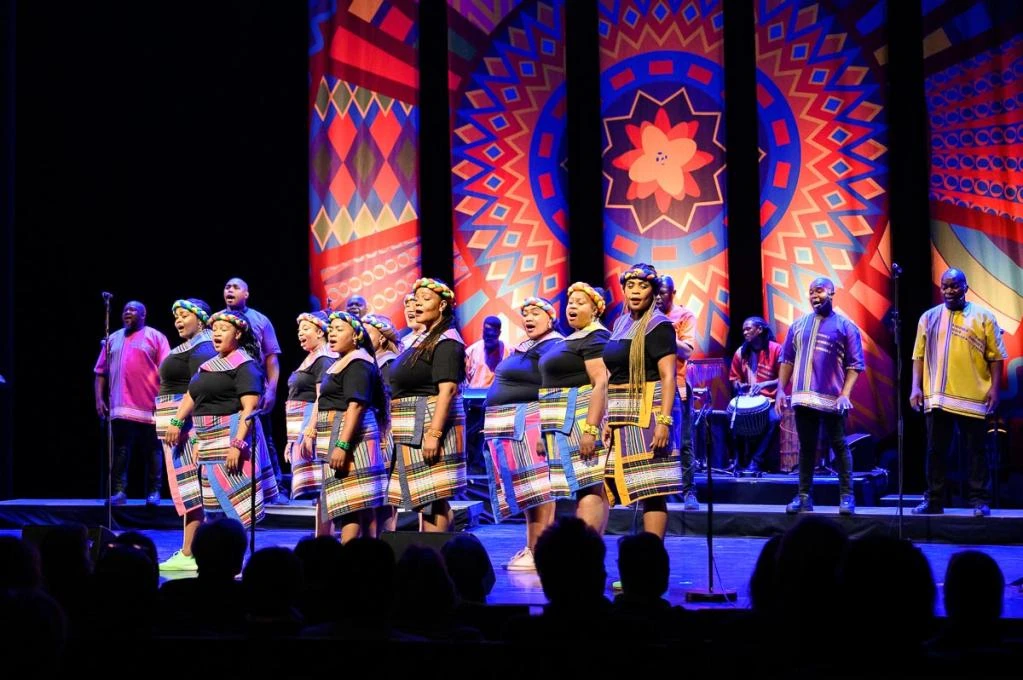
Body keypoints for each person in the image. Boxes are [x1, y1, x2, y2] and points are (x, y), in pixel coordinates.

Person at [165, 310, 278, 526]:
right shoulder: (207, 366)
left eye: (223, 329)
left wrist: (237, 445)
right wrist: (179, 423)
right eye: (214, 329)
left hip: (231, 439)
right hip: (207, 442)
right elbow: (192, 395)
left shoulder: (245, 365)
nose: (216, 333)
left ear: (238, 334)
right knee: (213, 510)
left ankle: (235, 546)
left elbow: (250, 409)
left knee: (235, 513)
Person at [910, 268, 1007, 516]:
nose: (949, 291)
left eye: (954, 286)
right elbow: (918, 356)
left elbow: (996, 357)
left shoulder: (984, 317)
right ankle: (934, 500)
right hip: (937, 395)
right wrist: (915, 387)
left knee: (976, 451)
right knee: (935, 451)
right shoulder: (928, 318)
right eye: (945, 286)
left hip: (972, 395)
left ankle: (979, 501)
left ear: (966, 287)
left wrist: (995, 389)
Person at [602, 264, 683, 539]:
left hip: (650, 411)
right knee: (625, 483)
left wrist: (664, 422)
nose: (636, 291)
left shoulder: (659, 325)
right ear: (623, 290)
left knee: (652, 489)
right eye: (630, 286)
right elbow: (614, 374)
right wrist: (609, 418)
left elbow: (668, 376)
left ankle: (652, 555)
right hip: (622, 412)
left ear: (653, 291)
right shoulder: (620, 323)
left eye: (643, 286)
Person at [483, 298, 563, 570]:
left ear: (551, 318)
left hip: (531, 421)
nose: (528, 317)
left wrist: (545, 428)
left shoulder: (554, 346)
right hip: (511, 424)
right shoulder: (528, 346)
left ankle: (539, 550)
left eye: (535, 313)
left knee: (539, 491)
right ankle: (533, 547)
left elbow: (553, 387)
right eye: (525, 313)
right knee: (528, 493)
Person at [776, 277, 864, 515]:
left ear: (832, 293)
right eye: (811, 292)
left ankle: (847, 496)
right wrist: (781, 390)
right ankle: (804, 496)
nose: (815, 296)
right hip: (803, 396)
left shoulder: (846, 326)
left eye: (820, 291)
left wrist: (845, 394)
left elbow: (855, 365)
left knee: (839, 445)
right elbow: (787, 360)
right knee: (806, 447)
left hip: (832, 398)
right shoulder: (797, 325)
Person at [387, 278, 467, 532]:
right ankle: (434, 548)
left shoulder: (447, 340)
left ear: (442, 305)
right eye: (416, 298)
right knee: (426, 499)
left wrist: (434, 434)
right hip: (412, 425)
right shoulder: (425, 338)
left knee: (433, 497)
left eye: (426, 298)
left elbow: (448, 390)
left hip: (429, 424)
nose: (418, 303)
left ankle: (436, 551)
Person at [302, 311, 390, 542]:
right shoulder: (343, 361)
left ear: (356, 336)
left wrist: (342, 445)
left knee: (353, 505)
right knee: (356, 505)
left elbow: (356, 406)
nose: (332, 333)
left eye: (339, 329)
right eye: (331, 329)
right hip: (339, 436)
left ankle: (351, 556)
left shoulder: (358, 362)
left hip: (351, 441)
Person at [538, 282, 610, 534]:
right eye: (570, 303)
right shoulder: (574, 337)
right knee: (581, 487)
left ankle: (586, 550)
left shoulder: (595, 336)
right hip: (560, 422)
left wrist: (590, 430)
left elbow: (600, 383)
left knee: (589, 486)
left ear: (595, 310)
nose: (572, 307)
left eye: (580, 303)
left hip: (580, 420)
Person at [155, 299, 216, 571]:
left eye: (183, 315)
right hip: (175, 428)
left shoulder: (203, 347)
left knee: (191, 489)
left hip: (186, 427)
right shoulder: (191, 345)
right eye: (175, 316)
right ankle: (190, 550)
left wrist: (178, 421)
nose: (177, 320)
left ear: (200, 319)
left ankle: (190, 552)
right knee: (186, 488)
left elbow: (199, 387)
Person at [94, 300, 171, 505]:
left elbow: (167, 372)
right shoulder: (112, 338)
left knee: (153, 450)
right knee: (120, 451)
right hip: (120, 406)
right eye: (125, 310)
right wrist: (99, 399)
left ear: (143, 315)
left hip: (150, 407)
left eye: (133, 310)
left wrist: (164, 401)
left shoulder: (156, 337)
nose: (127, 312)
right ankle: (119, 492)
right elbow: (100, 373)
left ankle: (154, 492)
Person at [222, 277, 288, 503]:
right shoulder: (217, 320)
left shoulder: (260, 320)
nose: (230, 290)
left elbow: (272, 358)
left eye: (235, 287)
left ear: (246, 294)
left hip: (254, 387)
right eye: (227, 287)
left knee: (264, 436)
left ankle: (276, 487)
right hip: (226, 388)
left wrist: (271, 390)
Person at [283, 312, 337, 502]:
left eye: (306, 329)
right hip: (299, 427)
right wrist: (291, 441)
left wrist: (310, 431)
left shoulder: (323, 359)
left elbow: (322, 397)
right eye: (299, 330)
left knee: (322, 489)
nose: (300, 333)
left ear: (320, 332)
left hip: (311, 426)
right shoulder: (311, 358)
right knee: (316, 495)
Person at [656, 275, 698, 510]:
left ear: (672, 293)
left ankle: (689, 492)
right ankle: (654, 492)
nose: (658, 297)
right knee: (654, 441)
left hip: (679, 387)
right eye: (656, 292)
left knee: (684, 442)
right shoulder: (647, 317)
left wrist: (665, 331)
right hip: (653, 389)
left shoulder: (684, 315)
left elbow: (687, 351)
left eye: (663, 292)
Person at [361, 313, 402, 534]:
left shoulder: (389, 363)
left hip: (384, 431)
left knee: (385, 492)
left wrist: (385, 433)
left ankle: (385, 539)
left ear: (383, 337)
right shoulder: (371, 361)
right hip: (374, 430)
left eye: (368, 332)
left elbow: (388, 401)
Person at [728, 316, 783, 472]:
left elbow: (784, 378)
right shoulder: (741, 352)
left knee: (773, 419)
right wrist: (740, 386)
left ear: (759, 329)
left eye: (748, 329)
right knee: (730, 417)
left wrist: (765, 384)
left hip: (769, 400)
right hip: (747, 400)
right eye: (743, 330)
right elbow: (734, 379)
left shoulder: (776, 349)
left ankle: (756, 461)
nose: (745, 332)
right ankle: (738, 460)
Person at [464, 316, 509, 389]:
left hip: (498, 394)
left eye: (492, 335)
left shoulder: (509, 351)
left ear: (499, 333)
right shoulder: (471, 352)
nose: (488, 338)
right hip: (474, 394)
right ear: (483, 331)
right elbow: (465, 379)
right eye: (486, 334)